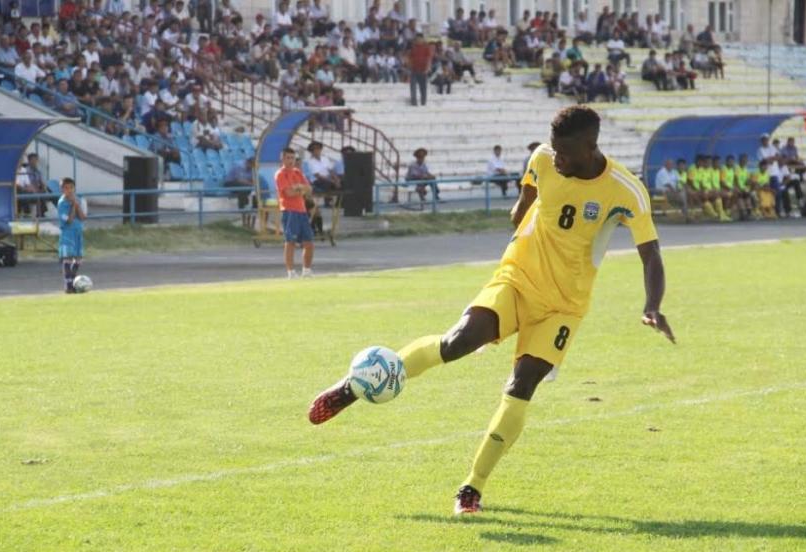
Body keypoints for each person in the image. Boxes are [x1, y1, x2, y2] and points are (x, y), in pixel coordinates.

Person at [307, 107, 675, 515]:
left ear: (590, 147)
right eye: (554, 149)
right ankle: (353, 388)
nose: (556, 158)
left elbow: (651, 253)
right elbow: (525, 203)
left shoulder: (625, 190)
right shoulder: (543, 158)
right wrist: (521, 214)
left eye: (565, 153)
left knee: (521, 387)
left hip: (563, 307)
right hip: (516, 279)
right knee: (457, 342)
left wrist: (652, 306)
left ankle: (472, 487)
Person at [274, 147, 314, 279]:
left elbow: (309, 189)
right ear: (282, 159)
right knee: (290, 241)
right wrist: (300, 189)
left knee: (308, 242)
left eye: (292, 158)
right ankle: (291, 272)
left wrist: (298, 187)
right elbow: (289, 193)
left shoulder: (297, 172)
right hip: (289, 210)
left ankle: (306, 270)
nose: (291, 161)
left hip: (302, 210)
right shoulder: (280, 174)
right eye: (288, 158)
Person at [57, 177, 86, 293]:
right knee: (67, 259)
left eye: (71, 188)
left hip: (77, 233)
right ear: (62, 190)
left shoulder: (77, 199)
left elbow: (82, 217)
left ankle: (73, 282)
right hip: (67, 234)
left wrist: (76, 204)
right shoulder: (61, 203)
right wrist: (73, 205)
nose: (69, 190)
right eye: (66, 188)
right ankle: (68, 285)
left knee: (78, 259)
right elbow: (69, 220)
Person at [225, 156, 257, 229]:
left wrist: (252, 183)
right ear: (248, 163)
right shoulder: (239, 166)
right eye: (252, 166)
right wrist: (252, 184)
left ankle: (246, 213)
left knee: (248, 192)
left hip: (244, 186)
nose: (252, 168)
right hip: (231, 182)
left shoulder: (251, 169)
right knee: (243, 188)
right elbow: (239, 180)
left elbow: (252, 179)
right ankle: (243, 210)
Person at [15, 153, 49, 217]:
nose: (35, 162)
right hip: (18, 190)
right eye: (33, 160)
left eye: (21, 159)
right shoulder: (14, 170)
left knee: (39, 193)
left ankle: (41, 215)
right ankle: (27, 215)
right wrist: (27, 188)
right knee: (25, 193)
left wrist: (33, 190)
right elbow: (16, 184)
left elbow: (28, 183)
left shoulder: (23, 169)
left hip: (26, 189)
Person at [407, 33, 433, 107]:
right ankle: (414, 102)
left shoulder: (426, 48)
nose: (418, 40)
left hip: (423, 70)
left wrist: (427, 68)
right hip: (414, 70)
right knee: (413, 87)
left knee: (423, 88)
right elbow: (410, 58)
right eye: (417, 39)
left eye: (419, 39)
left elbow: (429, 58)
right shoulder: (413, 47)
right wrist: (409, 66)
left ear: (422, 39)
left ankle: (423, 102)